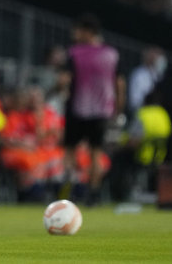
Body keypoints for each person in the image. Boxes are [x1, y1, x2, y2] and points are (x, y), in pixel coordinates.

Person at [61, 14, 126, 206]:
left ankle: (69, 190)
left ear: (87, 31)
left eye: (78, 30)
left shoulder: (74, 53)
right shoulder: (112, 54)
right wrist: (118, 109)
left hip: (76, 109)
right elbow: (120, 84)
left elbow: (64, 80)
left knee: (69, 151)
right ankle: (93, 193)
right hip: (102, 112)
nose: (74, 33)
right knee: (96, 153)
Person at [128, 47, 166, 114]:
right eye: (158, 55)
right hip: (140, 113)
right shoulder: (139, 75)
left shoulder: (156, 76)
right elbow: (134, 101)